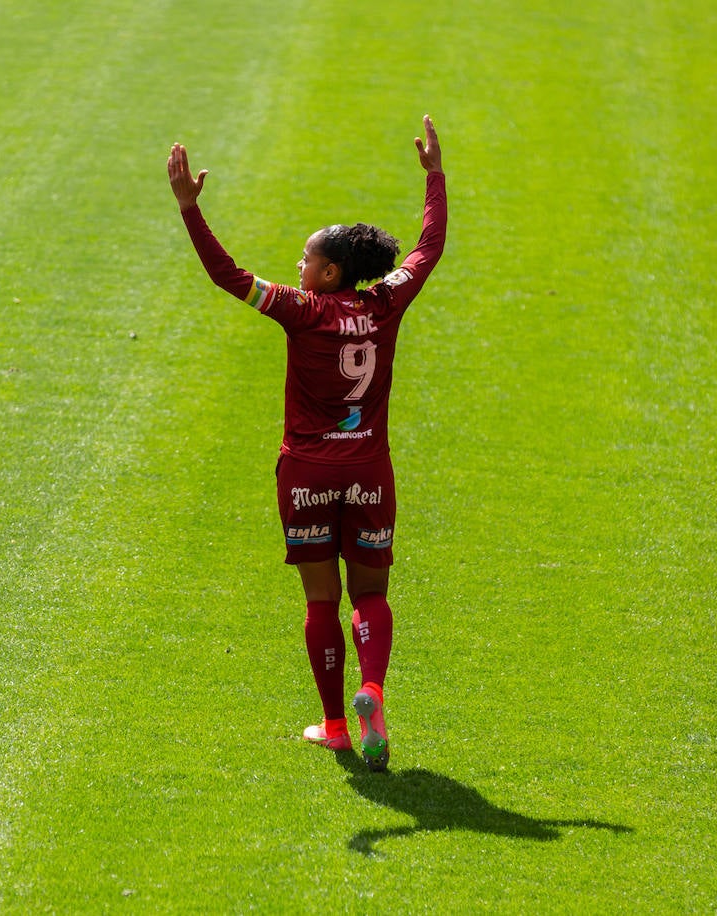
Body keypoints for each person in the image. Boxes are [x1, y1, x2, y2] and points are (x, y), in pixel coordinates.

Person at [167, 116, 446, 772]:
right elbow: (427, 249)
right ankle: (371, 691)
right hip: (369, 472)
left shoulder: (300, 308)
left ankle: (333, 726)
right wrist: (434, 178)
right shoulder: (385, 304)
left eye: (306, 258)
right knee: (370, 595)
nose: (297, 264)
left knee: (321, 599)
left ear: (328, 272)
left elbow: (226, 275)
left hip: (307, 474)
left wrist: (189, 209)